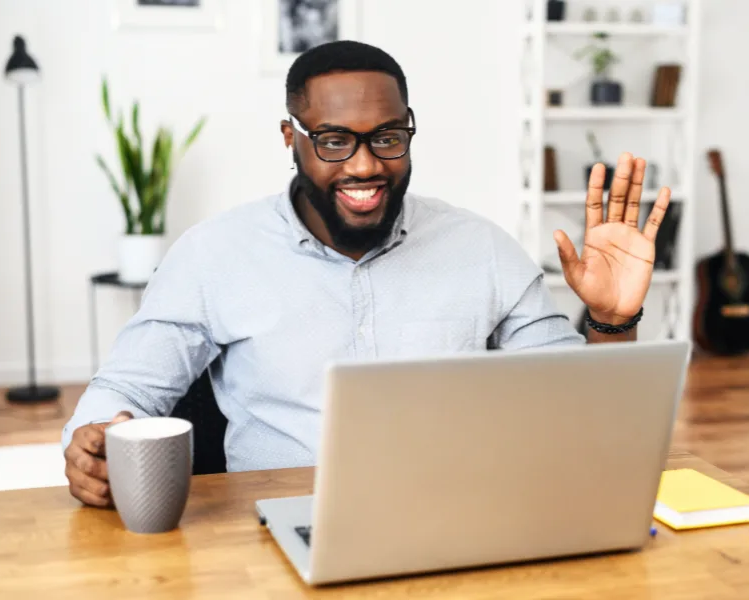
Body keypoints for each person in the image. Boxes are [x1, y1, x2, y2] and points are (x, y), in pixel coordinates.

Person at [62, 40, 672, 508]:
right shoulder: (213, 255)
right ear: (289, 136)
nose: (364, 165)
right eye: (332, 140)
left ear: (408, 127)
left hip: (460, 513)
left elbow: (579, 408)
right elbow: (126, 390)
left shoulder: (481, 247)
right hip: (278, 523)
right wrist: (97, 441)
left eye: (386, 137)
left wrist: (612, 321)